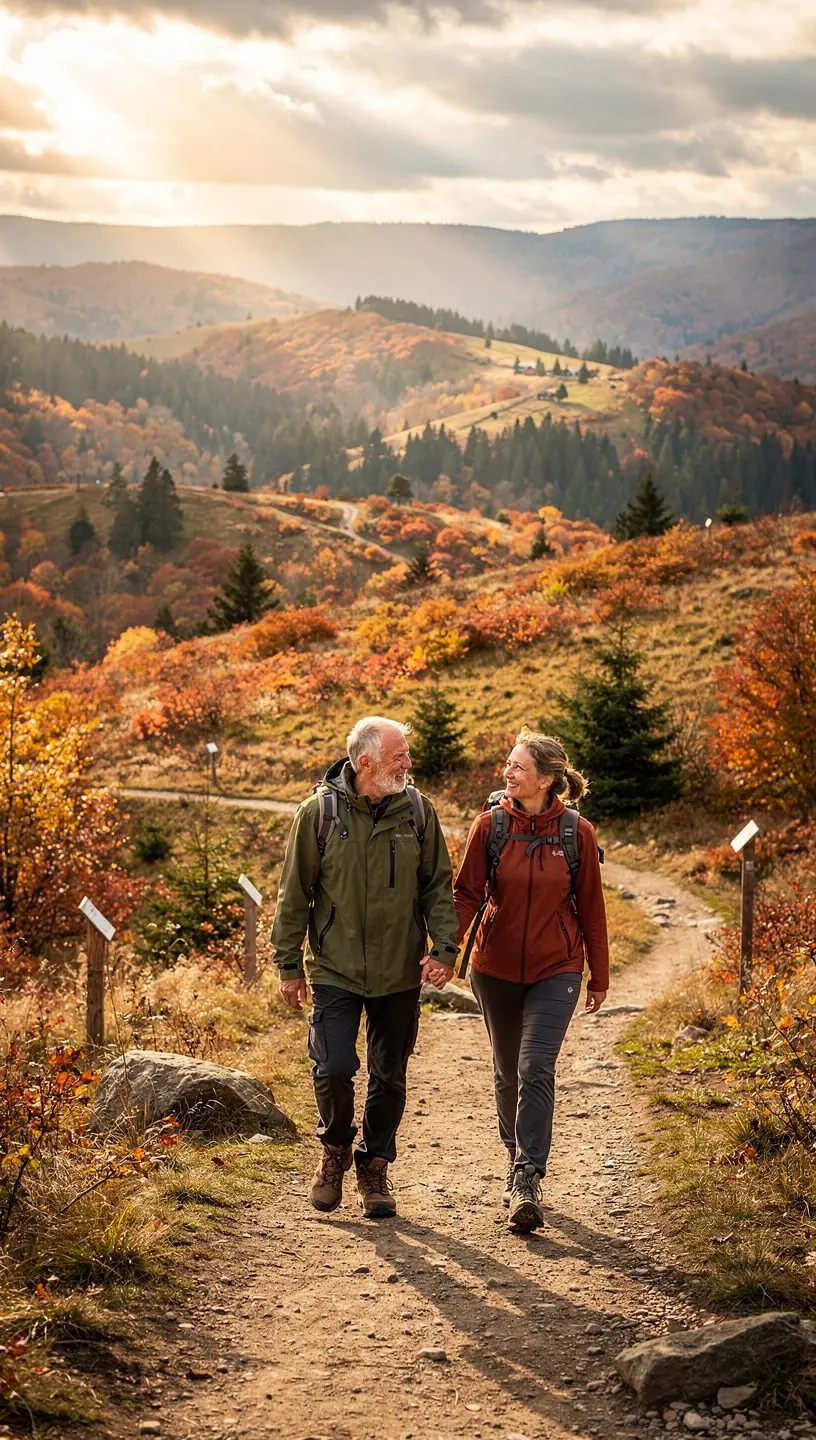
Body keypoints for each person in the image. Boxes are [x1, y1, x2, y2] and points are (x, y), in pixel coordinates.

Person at [272, 716, 458, 1219]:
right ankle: (333, 1152)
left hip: (399, 970)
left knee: (389, 1075)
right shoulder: (319, 814)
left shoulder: (418, 812)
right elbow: (295, 894)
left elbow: (438, 886)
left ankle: (374, 1166)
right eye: (398, 755)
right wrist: (288, 964)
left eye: (406, 755)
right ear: (365, 761)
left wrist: (444, 949)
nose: (407, 763)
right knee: (333, 1067)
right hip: (335, 968)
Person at [453, 729, 609, 1233]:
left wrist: (598, 975)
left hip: (557, 968)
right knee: (506, 1072)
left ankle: (527, 1176)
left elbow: (592, 908)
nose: (507, 772)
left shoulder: (576, 832)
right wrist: (438, 951)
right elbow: (466, 896)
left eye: (517, 766)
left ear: (545, 778)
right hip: (493, 968)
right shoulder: (490, 826)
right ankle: (513, 1150)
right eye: (508, 764)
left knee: (535, 1065)